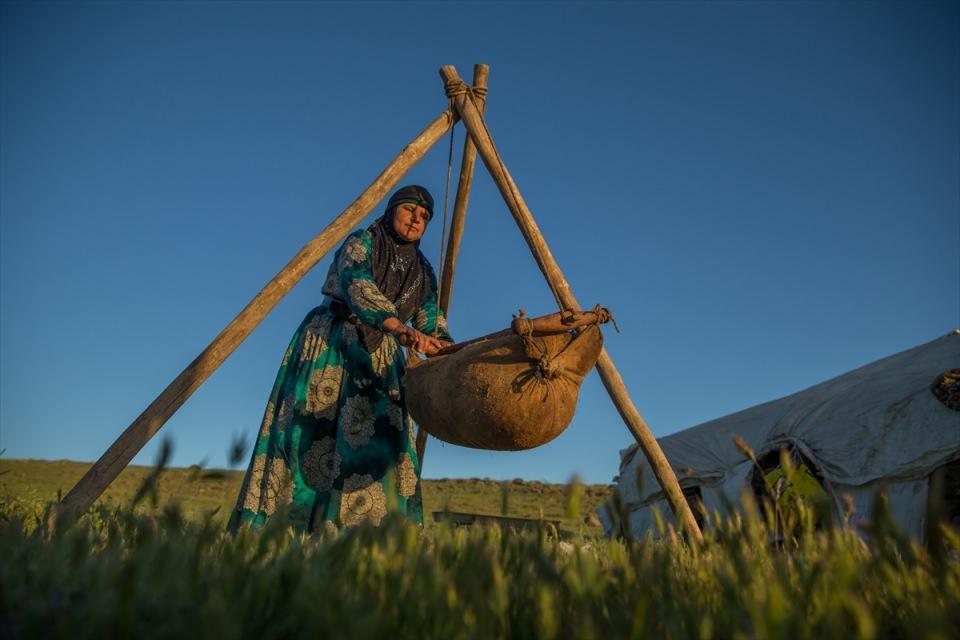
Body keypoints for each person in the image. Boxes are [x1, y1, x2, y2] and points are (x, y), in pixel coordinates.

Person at [228, 185, 452, 533]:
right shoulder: (362, 242)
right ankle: (282, 533)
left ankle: (363, 540)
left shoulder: (423, 273)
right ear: (393, 210)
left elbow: (431, 319)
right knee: (308, 433)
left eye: (424, 217)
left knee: (383, 445)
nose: (416, 220)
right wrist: (397, 327)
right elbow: (357, 282)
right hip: (331, 345)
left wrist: (445, 346)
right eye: (410, 210)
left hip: (380, 360)